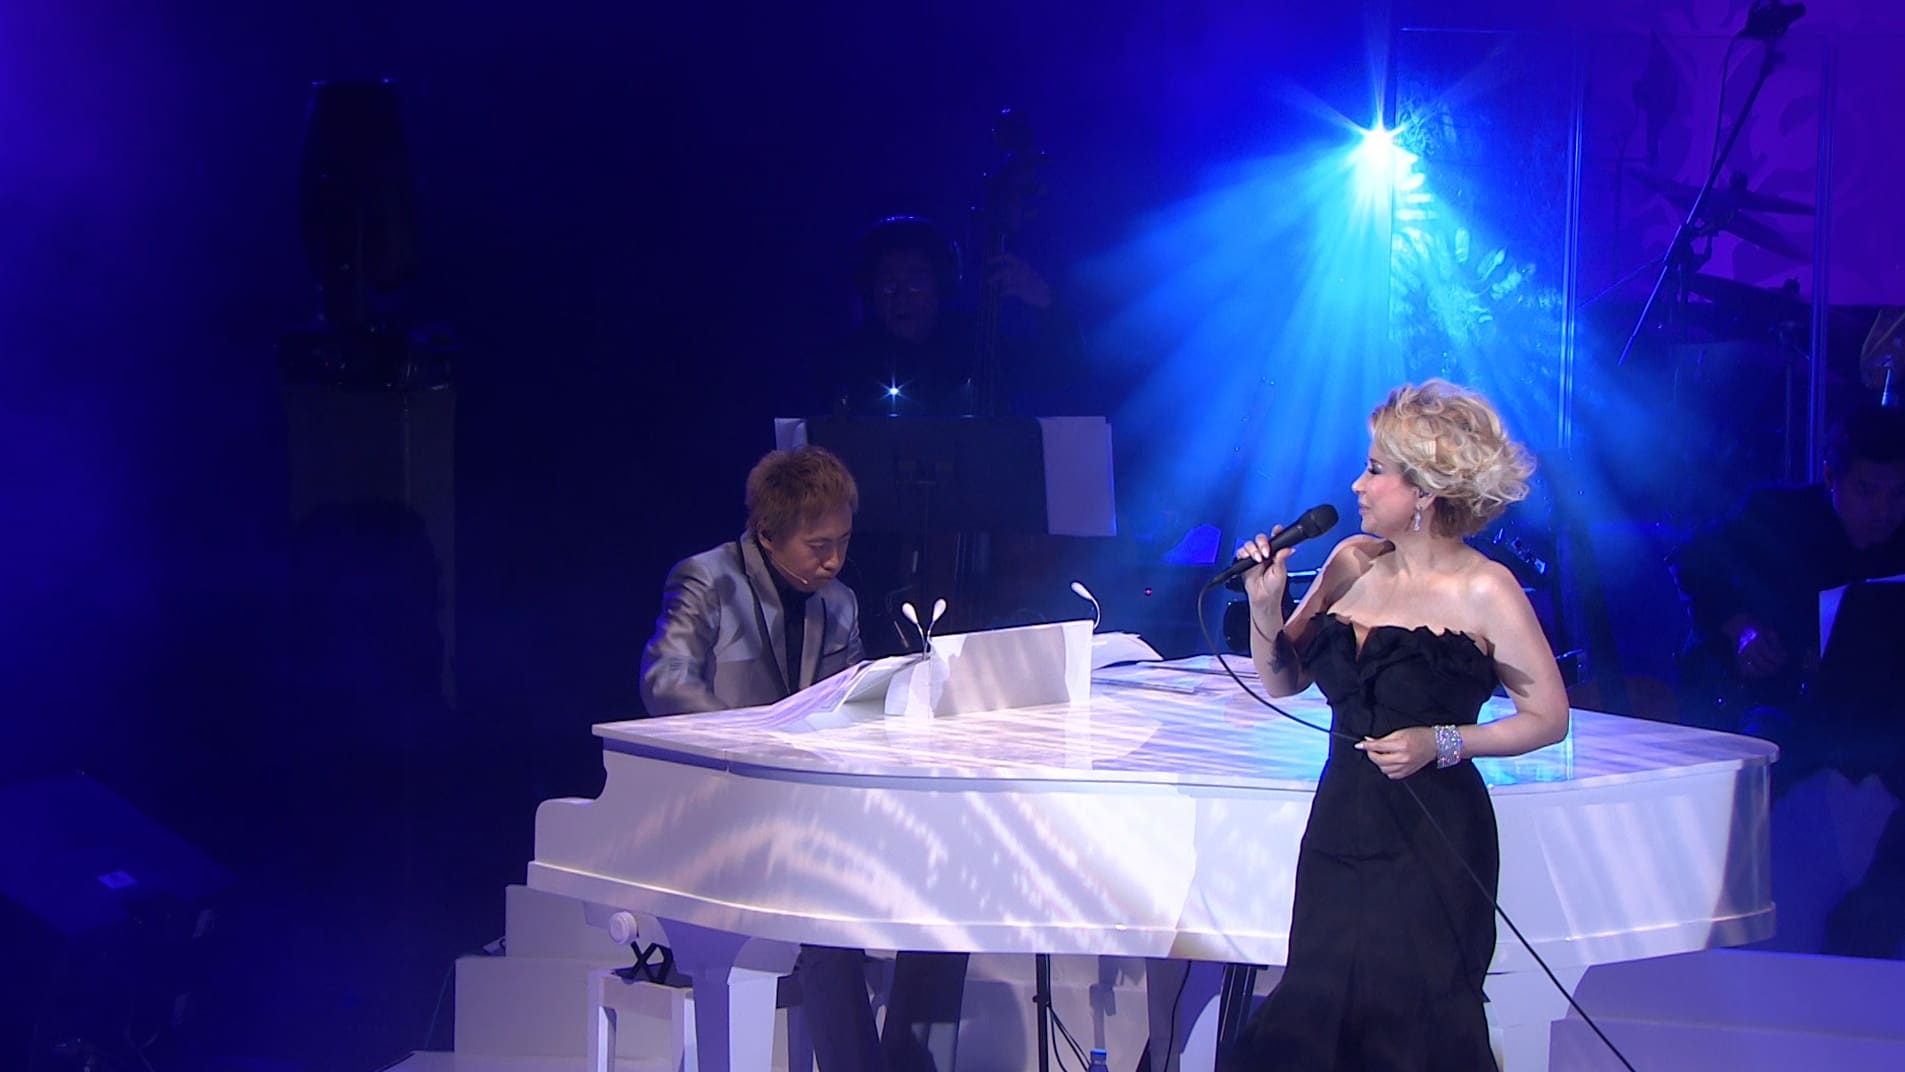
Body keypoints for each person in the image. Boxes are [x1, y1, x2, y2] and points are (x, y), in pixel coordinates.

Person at [1220, 381, 1570, 1071]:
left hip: (1431, 839)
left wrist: (1441, 742)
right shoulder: (1352, 562)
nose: (1358, 484)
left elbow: (1547, 718)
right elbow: (1284, 679)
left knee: (1415, 1027)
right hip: (1339, 823)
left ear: (1425, 492)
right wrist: (1265, 606)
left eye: (1375, 469)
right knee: (1314, 1009)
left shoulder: (1485, 590)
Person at [636, 445, 967, 1072]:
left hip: (815, 817)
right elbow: (665, 682)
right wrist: (759, 736)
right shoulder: (707, 579)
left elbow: (851, 704)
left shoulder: (838, 601)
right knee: (826, 924)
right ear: (767, 533)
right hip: (727, 813)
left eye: (843, 541)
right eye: (818, 546)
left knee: (945, 901)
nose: (834, 560)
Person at [1670, 402, 1905, 756]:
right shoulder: (1778, 515)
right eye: (1867, 492)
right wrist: (1739, 627)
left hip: (1866, 717)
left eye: (1899, 494)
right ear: (1830, 477)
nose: (1884, 512)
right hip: (1764, 703)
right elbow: (1690, 558)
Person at [823, 214, 1083, 418]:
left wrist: (1047, 304)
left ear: (941, 284)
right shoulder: (849, 358)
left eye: (916, 282)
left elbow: (1064, 371)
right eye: (889, 283)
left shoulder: (976, 341)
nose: (901, 296)